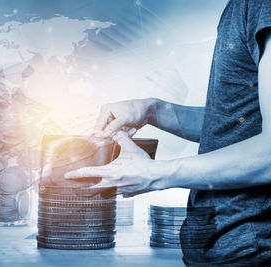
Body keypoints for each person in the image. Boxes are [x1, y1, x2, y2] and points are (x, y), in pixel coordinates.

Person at [65, 0, 271, 265]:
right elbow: (241, 124)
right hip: (224, 245)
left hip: (252, 249)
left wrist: (155, 174)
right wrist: (155, 110)